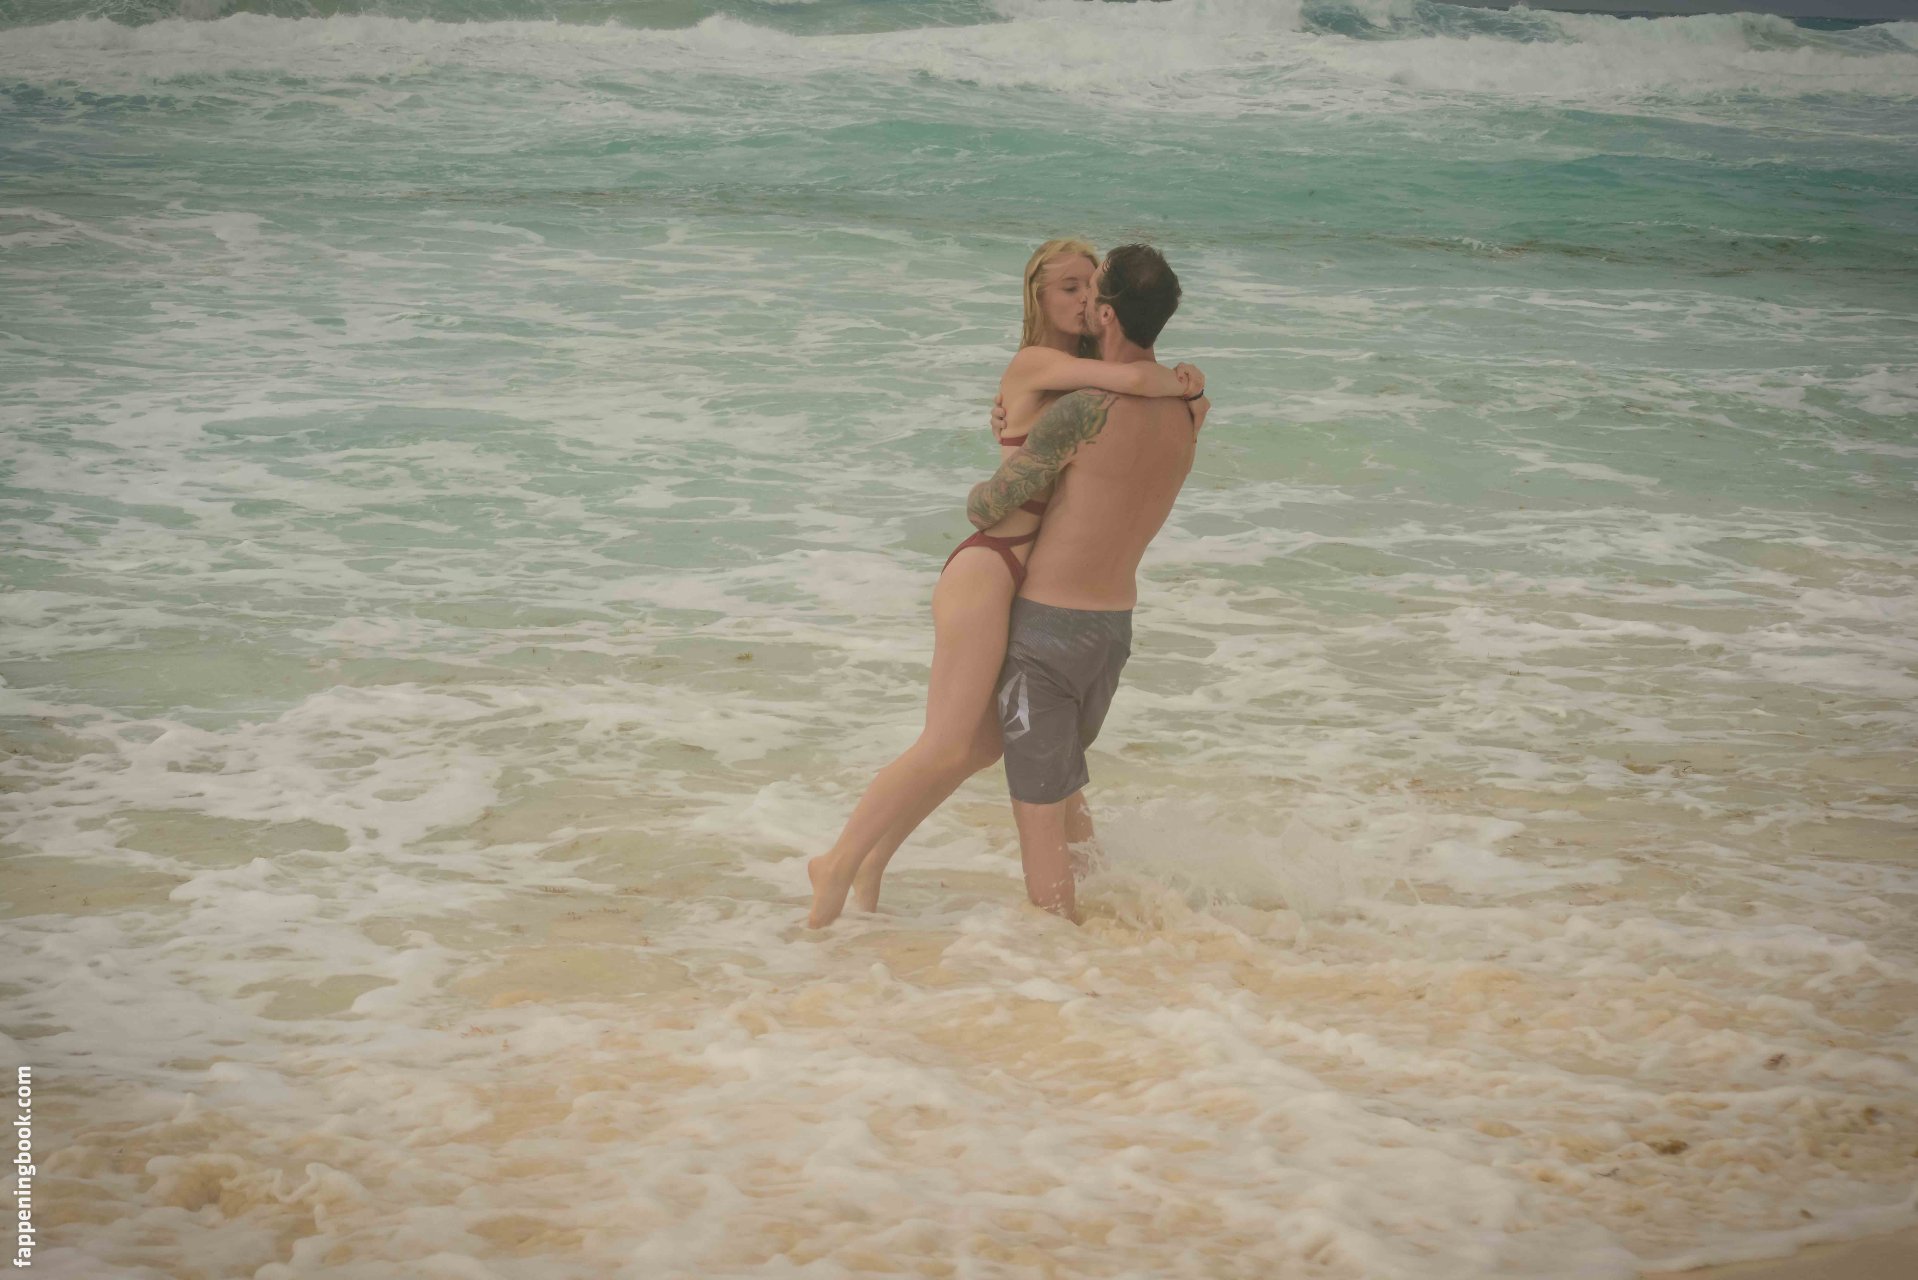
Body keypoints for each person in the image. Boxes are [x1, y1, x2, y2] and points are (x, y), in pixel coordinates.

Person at [806, 239, 1208, 928]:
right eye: (1068, 288)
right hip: (993, 561)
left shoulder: (1088, 382)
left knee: (981, 747)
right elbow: (1136, 382)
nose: (1083, 300)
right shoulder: (1042, 367)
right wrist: (1184, 383)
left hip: (1042, 582)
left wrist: (1176, 381)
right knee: (948, 742)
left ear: (1107, 310)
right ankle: (837, 862)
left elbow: (1122, 388)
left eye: (1090, 289)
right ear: (1039, 298)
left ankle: (873, 862)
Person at [961, 243, 1203, 924]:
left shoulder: (1080, 412)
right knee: (1066, 796)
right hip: (1112, 633)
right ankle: (1118, 936)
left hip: (1046, 637)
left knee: (1040, 827)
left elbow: (988, 508)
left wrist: (1011, 437)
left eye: (1092, 292)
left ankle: (1065, 960)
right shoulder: (1190, 410)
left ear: (1106, 314)